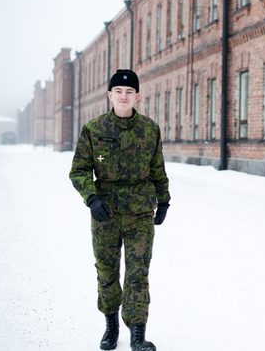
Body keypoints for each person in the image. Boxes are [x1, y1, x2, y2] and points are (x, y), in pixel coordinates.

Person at [69, 69, 170, 351]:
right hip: (106, 214)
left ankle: (137, 334)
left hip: (140, 212)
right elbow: (78, 171)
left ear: (137, 96)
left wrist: (164, 200)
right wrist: (91, 199)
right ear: (110, 95)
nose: (124, 97)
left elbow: (157, 169)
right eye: (118, 92)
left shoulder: (150, 129)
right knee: (107, 270)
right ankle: (111, 325)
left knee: (138, 272)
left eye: (129, 92)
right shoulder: (94, 129)